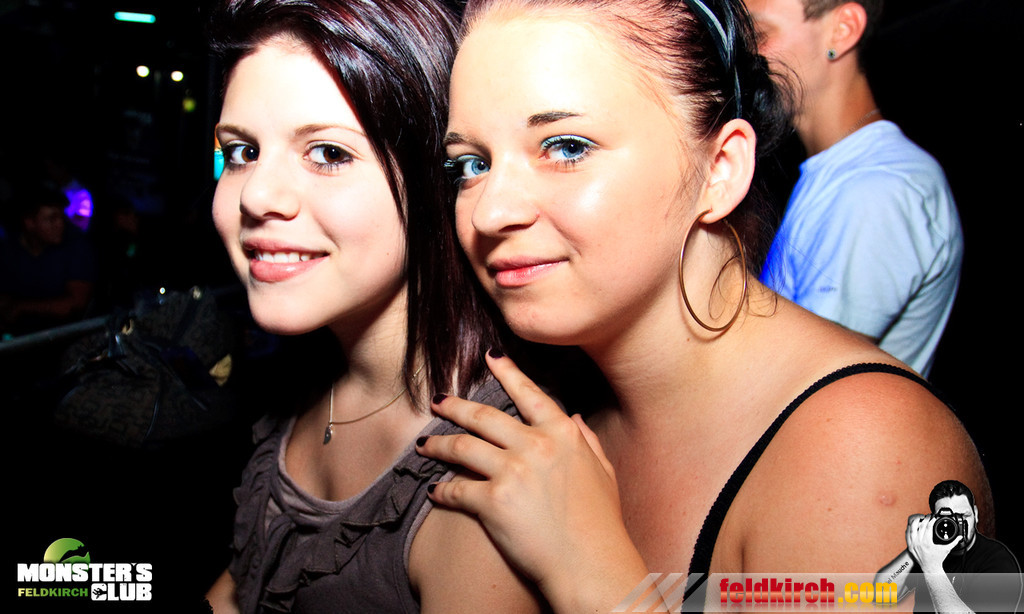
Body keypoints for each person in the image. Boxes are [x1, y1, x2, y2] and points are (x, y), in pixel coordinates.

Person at [415, 0, 991, 611]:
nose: (490, 211)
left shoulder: (867, 452)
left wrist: (590, 574)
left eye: (566, 147)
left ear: (720, 168)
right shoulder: (549, 398)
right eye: (470, 165)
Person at [202, 1, 545, 612]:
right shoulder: (304, 369)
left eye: (328, 154)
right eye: (242, 152)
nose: (256, 195)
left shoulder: (485, 479)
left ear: (435, 178)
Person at [748, 0, 962, 377]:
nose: (748, 53)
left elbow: (800, 377)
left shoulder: (878, 187)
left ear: (842, 30)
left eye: (760, 34)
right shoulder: (841, 174)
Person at [876, 480, 1022, 612]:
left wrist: (932, 568)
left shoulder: (998, 559)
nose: (957, 525)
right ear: (934, 521)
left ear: (976, 514)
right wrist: (914, 548)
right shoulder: (927, 552)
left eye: (963, 516)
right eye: (947, 519)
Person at [0, 186, 95, 333]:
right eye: (51, 219)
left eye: (61, 218)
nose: (60, 224)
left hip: (65, 334)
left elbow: (76, 303)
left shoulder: (75, 246)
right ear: (30, 223)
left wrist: (22, 307)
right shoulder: (9, 250)